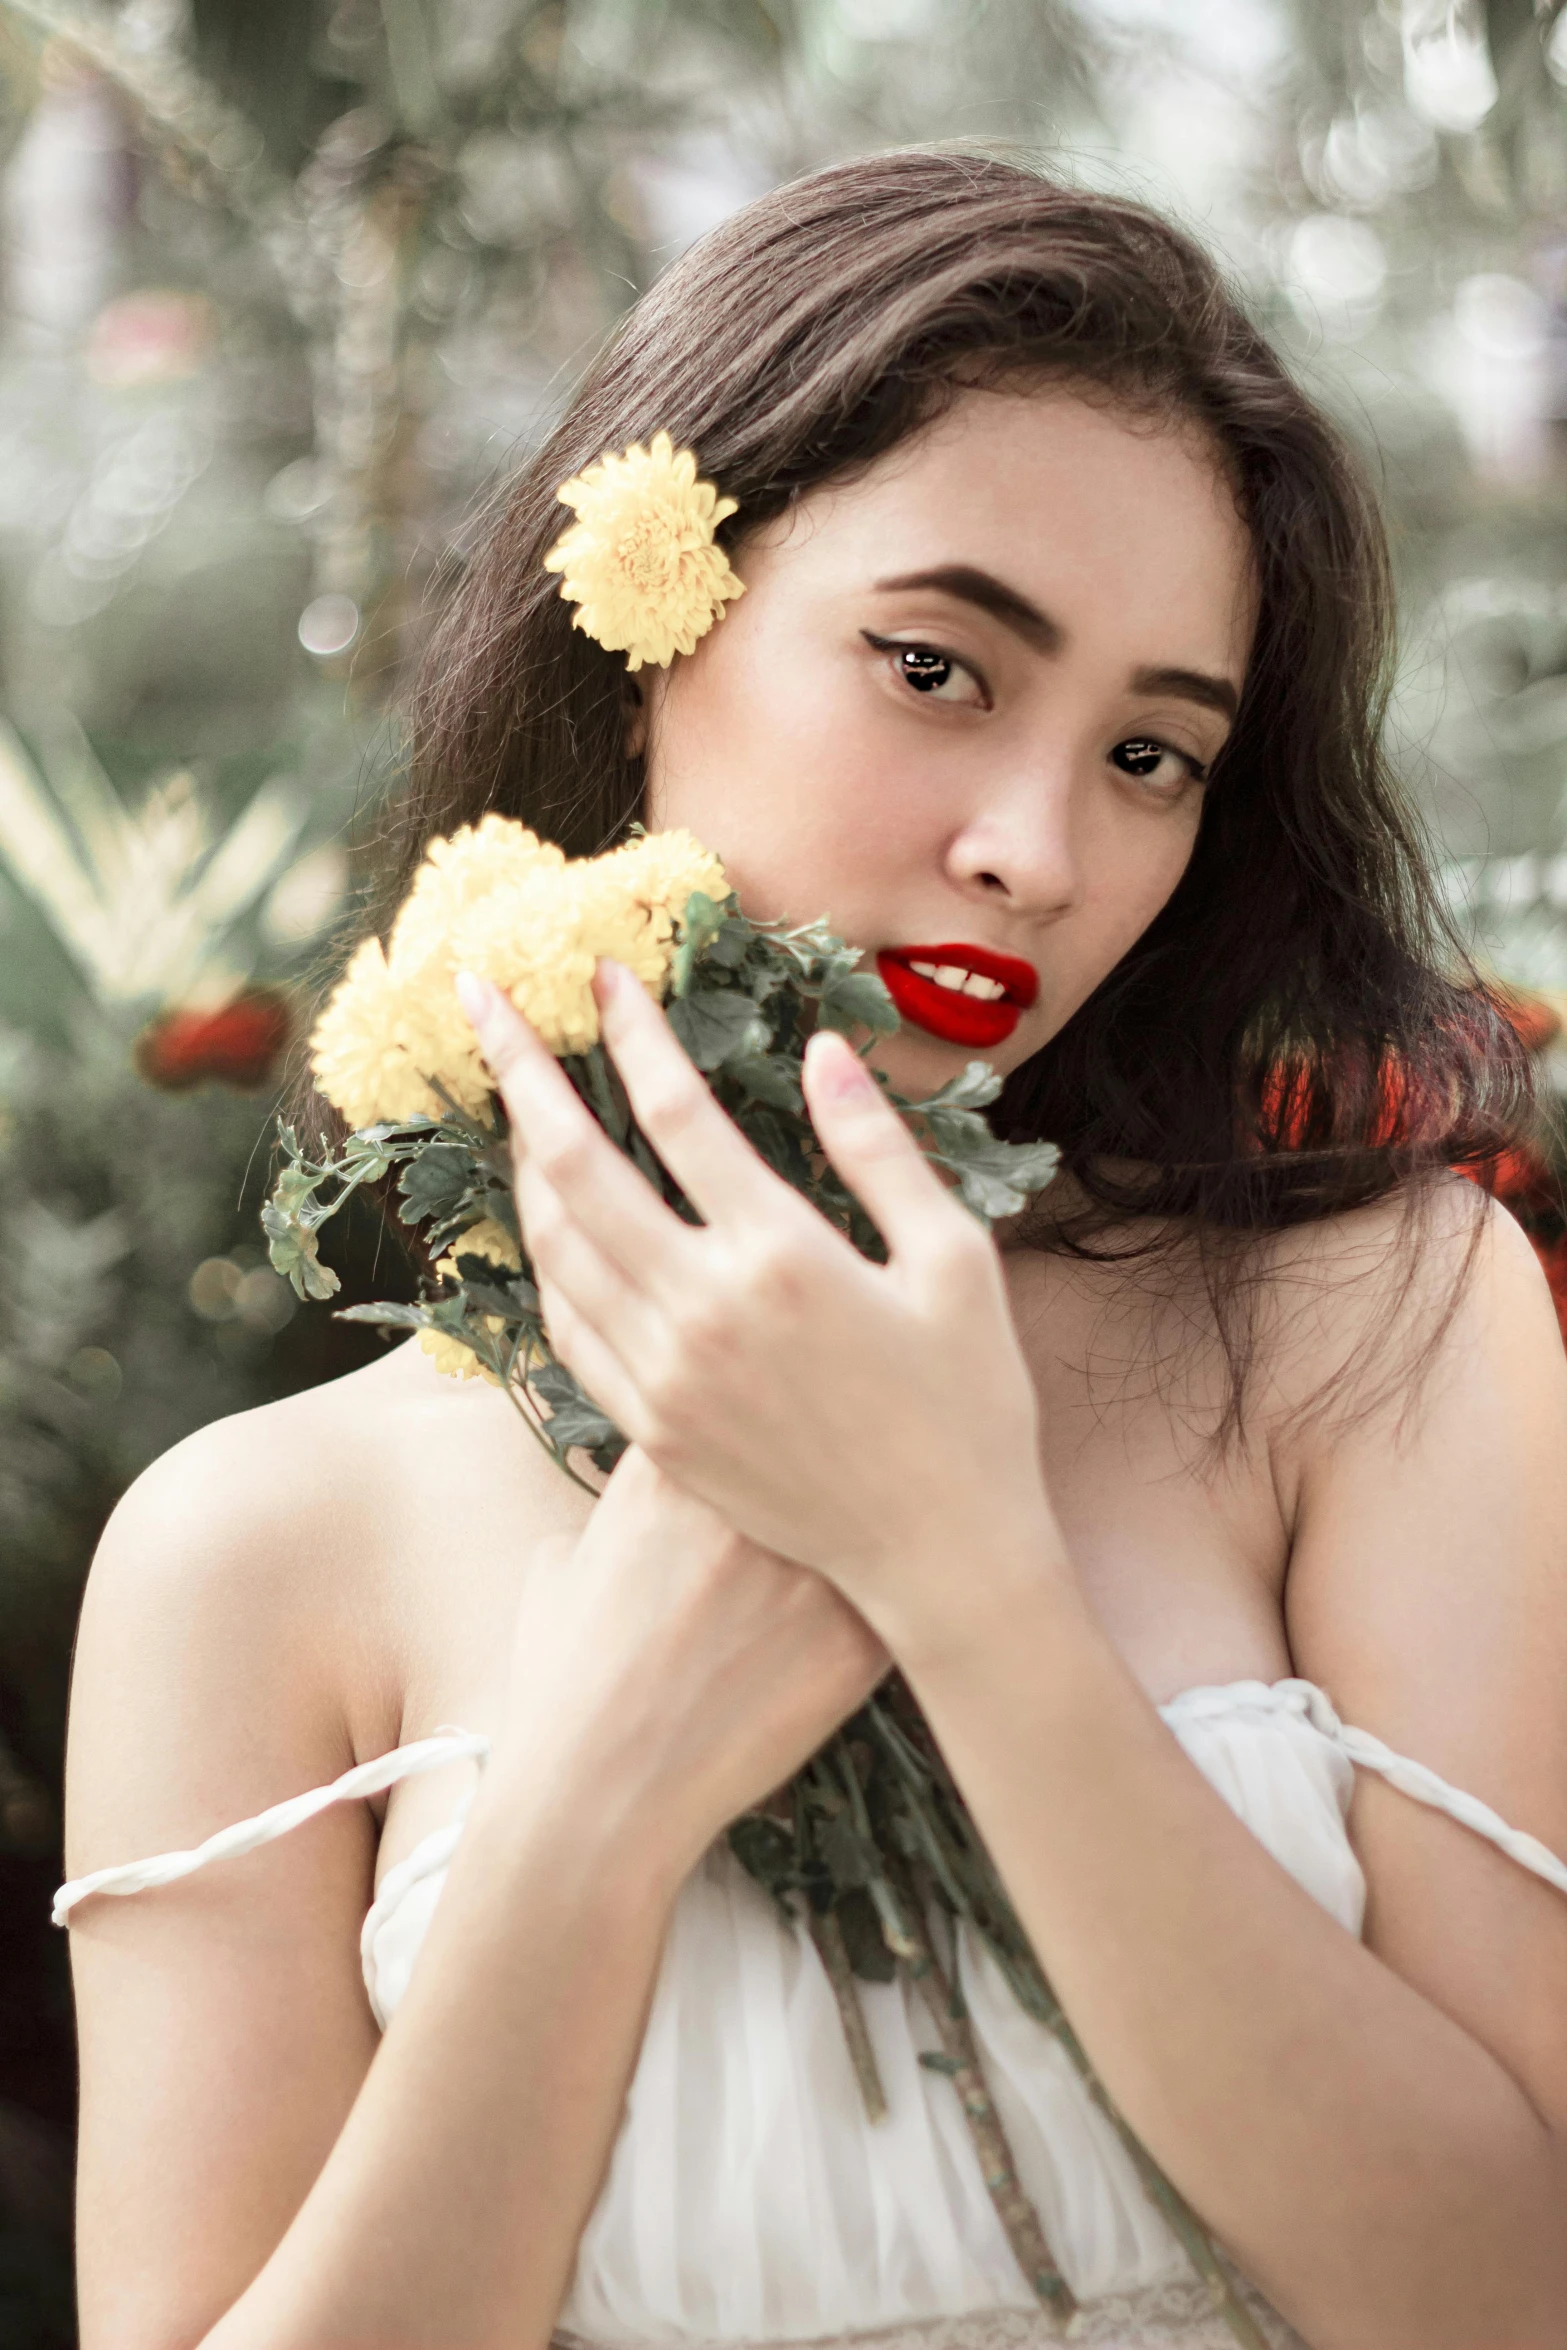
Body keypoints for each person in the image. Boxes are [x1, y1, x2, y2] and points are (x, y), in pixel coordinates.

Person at [54, 151, 1567, 2350]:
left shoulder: (1374, 1330)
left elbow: (1511, 2297)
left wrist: (965, 1573)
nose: (1036, 848)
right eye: (938, 666)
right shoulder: (255, 1544)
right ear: (645, 624)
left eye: (1154, 750)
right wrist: (593, 1795)